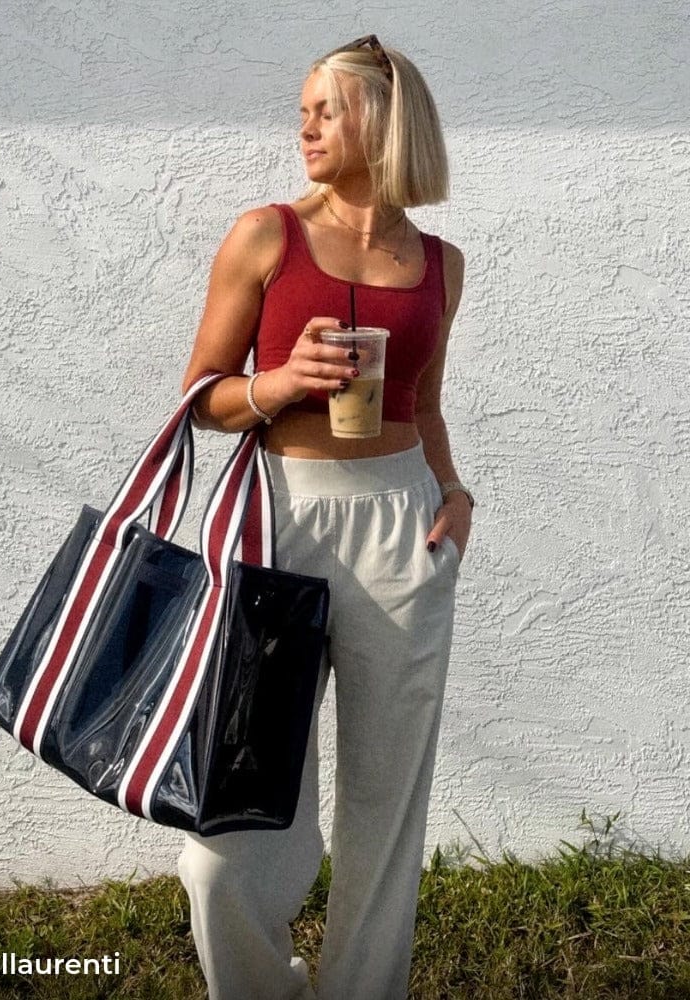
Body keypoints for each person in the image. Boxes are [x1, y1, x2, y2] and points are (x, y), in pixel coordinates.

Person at [177, 34, 473, 1000]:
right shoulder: (265, 235)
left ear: (380, 122)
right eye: (301, 108)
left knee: (388, 808)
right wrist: (279, 382)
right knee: (231, 835)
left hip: (403, 523)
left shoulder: (440, 262)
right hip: (282, 521)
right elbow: (200, 399)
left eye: (324, 109)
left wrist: (454, 493)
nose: (303, 125)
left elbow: (421, 405)